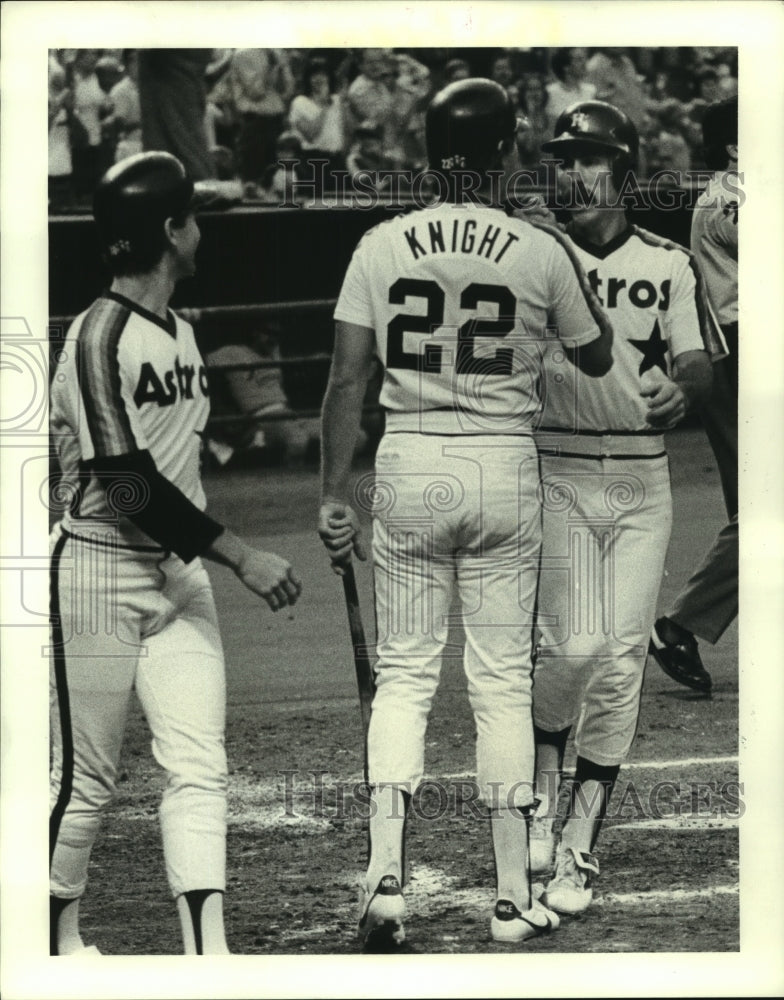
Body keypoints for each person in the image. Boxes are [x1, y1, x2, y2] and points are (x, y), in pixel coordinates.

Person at [318, 78, 613, 950]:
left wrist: (334, 492)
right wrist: (550, 251)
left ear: (429, 152)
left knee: (405, 675)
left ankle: (382, 885)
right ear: (503, 152)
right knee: (498, 682)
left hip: (407, 455)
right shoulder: (536, 246)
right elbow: (596, 355)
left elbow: (345, 383)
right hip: (500, 461)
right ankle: (514, 898)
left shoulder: (380, 242)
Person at [48, 151, 302, 956]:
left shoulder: (182, 332)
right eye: (191, 217)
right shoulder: (97, 335)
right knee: (85, 782)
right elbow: (123, 484)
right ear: (168, 231)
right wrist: (239, 555)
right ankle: (49, 943)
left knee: (200, 766)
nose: (201, 231)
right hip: (96, 571)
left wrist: (203, 557)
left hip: (176, 576)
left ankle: (208, 953)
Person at [527, 100, 721, 916]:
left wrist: (682, 390)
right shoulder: (533, 256)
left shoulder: (670, 262)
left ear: (626, 174)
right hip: (558, 472)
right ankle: (540, 788)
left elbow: (699, 360)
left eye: (591, 156)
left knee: (618, 662)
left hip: (642, 483)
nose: (572, 171)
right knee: (570, 649)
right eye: (563, 157)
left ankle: (578, 843)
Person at [648, 96, 739, 692]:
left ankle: (681, 626)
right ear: (734, 146)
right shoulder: (732, 196)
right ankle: (678, 625)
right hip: (740, 354)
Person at [544, 48, 596, 131]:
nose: (584, 63)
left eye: (584, 58)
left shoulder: (590, 91)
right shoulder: (550, 92)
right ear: (566, 67)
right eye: (579, 60)